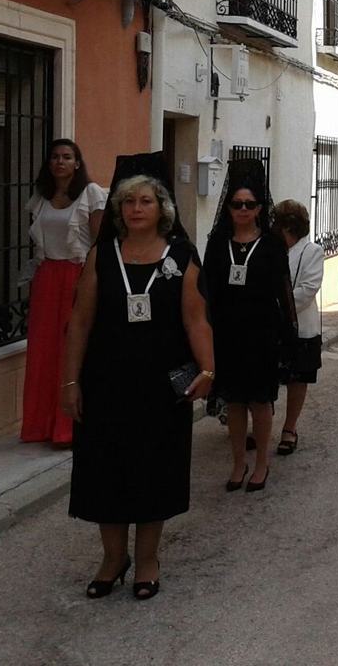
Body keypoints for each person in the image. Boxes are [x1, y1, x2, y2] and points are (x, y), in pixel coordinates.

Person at [62, 156, 213, 601]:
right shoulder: (100, 256)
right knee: (106, 471)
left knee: (154, 472)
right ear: (118, 209)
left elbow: (197, 320)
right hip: (106, 382)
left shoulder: (181, 256)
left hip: (159, 387)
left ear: (162, 207)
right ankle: (113, 558)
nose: (136, 208)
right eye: (128, 201)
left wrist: (207, 369)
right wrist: (70, 383)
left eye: (145, 200)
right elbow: (80, 322)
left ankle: (147, 558)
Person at [204, 160, 295, 495]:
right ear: (228, 208)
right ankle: (238, 462)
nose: (243, 210)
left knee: (260, 402)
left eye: (249, 205)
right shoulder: (217, 245)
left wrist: (288, 337)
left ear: (260, 209)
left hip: (261, 335)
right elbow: (207, 291)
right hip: (228, 335)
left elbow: (283, 292)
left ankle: (261, 464)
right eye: (237, 204)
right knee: (235, 402)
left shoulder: (271, 246)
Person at [22, 139, 106, 446]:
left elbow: (100, 242)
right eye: (55, 157)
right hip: (47, 278)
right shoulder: (41, 197)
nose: (60, 162)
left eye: (67, 157)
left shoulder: (91, 194)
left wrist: (91, 282)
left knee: (71, 348)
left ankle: (68, 427)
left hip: (77, 276)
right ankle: (39, 425)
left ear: (77, 163)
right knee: (43, 351)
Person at [272, 200, 324, 457]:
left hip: (300, 326)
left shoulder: (312, 251)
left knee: (297, 379)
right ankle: (259, 425)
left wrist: (278, 307)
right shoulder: (272, 249)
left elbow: (308, 289)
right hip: (271, 327)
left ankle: (289, 428)